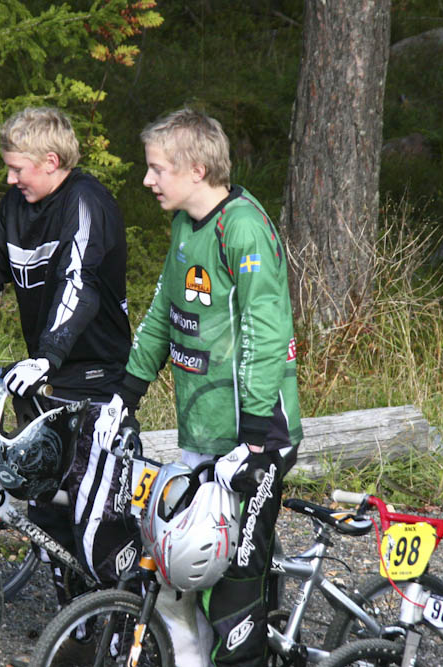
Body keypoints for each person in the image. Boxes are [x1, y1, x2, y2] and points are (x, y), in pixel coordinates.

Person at [0, 106, 140, 610]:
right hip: (47, 375)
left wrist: (49, 356)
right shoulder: (15, 207)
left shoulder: (86, 203)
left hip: (96, 376)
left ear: (51, 161)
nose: (11, 179)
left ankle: (125, 619)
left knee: (97, 518)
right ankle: (75, 624)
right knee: (48, 513)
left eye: (18, 168)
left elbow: (78, 284)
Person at [104, 107, 302, 666]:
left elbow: (266, 333)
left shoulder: (242, 227)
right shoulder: (184, 225)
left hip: (256, 435)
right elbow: (165, 313)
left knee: (234, 596)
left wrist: (256, 439)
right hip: (204, 430)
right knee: (178, 570)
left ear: (196, 170)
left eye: (157, 168)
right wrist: (127, 392)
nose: (148, 179)